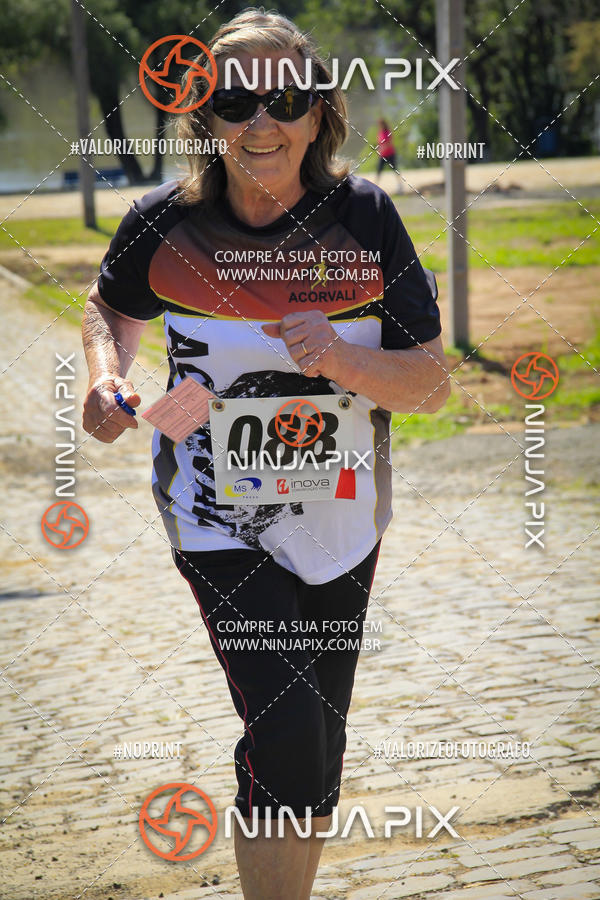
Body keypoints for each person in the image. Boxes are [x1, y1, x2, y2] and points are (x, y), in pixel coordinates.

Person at [81, 9, 450, 899]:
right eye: (234, 99)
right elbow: (111, 310)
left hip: (343, 517)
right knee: (284, 728)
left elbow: (430, 383)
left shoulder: (364, 218)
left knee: (318, 744)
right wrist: (105, 379)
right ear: (203, 114)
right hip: (216, 519)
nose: (261, 122)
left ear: (319, 113)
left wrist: (345, 356)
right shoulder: (162, 222)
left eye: (285, 100)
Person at [376, 117, 402, 193]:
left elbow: (390, 143)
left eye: (380, 124)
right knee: (379, 170)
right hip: (382, 155)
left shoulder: (388, 132)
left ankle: (400, 186)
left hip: (390, 154)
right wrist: (379, 149)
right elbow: (380, 143)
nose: (379, 125)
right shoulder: (380, 133)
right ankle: (375, 186)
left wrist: (383, 148)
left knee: (395, 169)